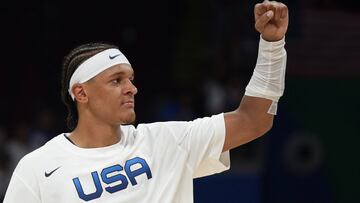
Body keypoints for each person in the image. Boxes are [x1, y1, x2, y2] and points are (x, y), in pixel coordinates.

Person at [3, 1, 288, 202]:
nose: (132, 89)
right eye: (117, 81)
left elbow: (254, 120)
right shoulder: (38, 168)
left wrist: (273, 46)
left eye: (131, 79)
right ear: (81, 93)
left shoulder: (166, 141)